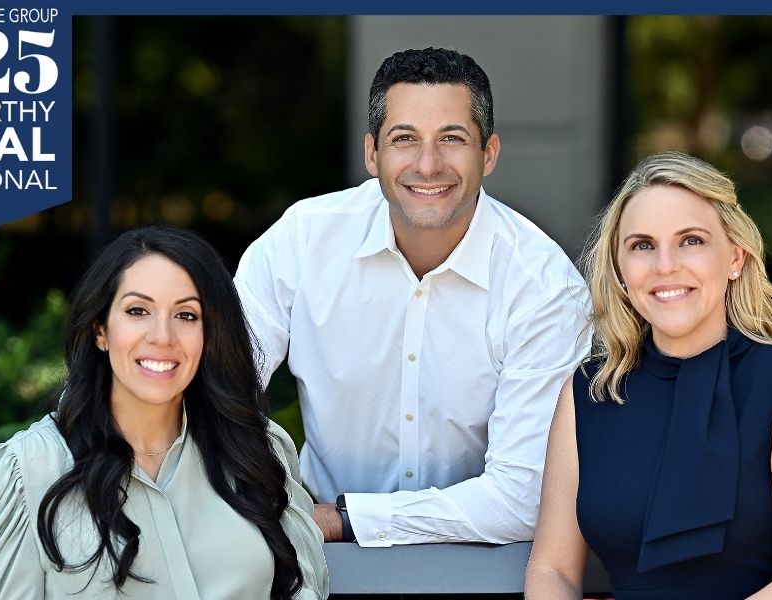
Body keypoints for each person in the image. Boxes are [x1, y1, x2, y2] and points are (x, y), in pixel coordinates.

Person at [234, 47, 591, 548]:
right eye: (405, 139)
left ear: (488, 154)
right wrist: (266, 496)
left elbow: (523, 497)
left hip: (482, 569)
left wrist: (344, 520)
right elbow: (217, 384)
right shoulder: (303, 241)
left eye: (452, 139)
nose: (428, 165)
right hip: (318, 563)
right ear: (372, 153)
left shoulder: (544, 287)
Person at [525, 151, 772, 599]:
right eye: (642, 245)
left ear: (735, 257)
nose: (665, 266)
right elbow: (552, 570)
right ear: (620, 272)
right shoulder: (588, 394)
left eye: (691, 240)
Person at [0, 225, 329, 599]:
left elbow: (303, 589)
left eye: (186, 315)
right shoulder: (32, 469)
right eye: (138, 310)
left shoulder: (255, 450)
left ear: (209, 334)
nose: (162, 336)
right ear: (100, 329)